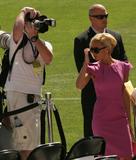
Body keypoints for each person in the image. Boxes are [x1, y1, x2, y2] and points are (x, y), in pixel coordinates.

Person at [4, 7, 53, 160]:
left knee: (27, 143)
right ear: (26, 25)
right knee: (26, 146)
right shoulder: (17, 41)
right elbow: (17, 28)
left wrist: (35, 38)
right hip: (21, 96)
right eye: (32, 23)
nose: (36, 25)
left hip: (31, 99)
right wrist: (23, 12)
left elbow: (48, 58)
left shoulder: (44, 44)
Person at [74, 3, 128, 137]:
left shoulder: (116, 36)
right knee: (93, 138)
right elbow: (81, 70)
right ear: (91, 18)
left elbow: (124, 61)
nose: (104, 19)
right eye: (100, 17)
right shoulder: (81, 40)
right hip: (92, 97)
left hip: (116, 97)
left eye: (105, 16)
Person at [76, 32, 133, 159]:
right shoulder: (93, 68)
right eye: (91, 50)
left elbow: (125, 95)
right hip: (102, 120)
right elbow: (79, 85)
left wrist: (129, 121)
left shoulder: (123, 67)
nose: (93, 53)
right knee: (105, 157)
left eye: (96, 50)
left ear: (107, 50)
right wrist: (85, 64)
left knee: (127, 155)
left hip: (120, 119)